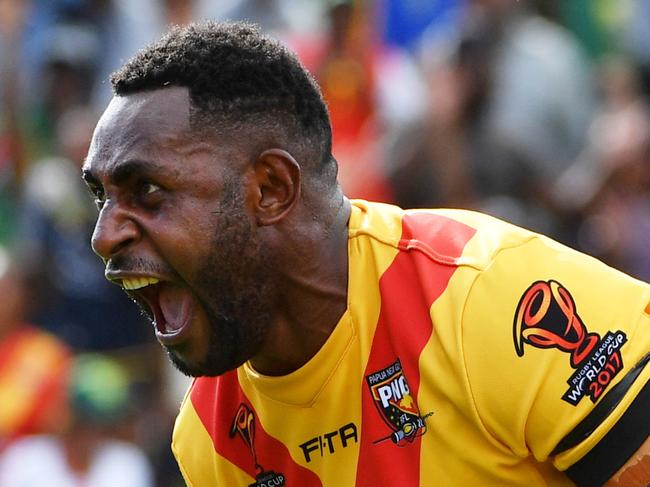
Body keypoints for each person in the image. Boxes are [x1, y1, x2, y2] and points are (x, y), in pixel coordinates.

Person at [82, 21, 649, 486]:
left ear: (272, 189)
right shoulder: (208, 438)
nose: (104, 237)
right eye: (102, 199)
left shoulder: (480, 295)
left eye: (147, 191)